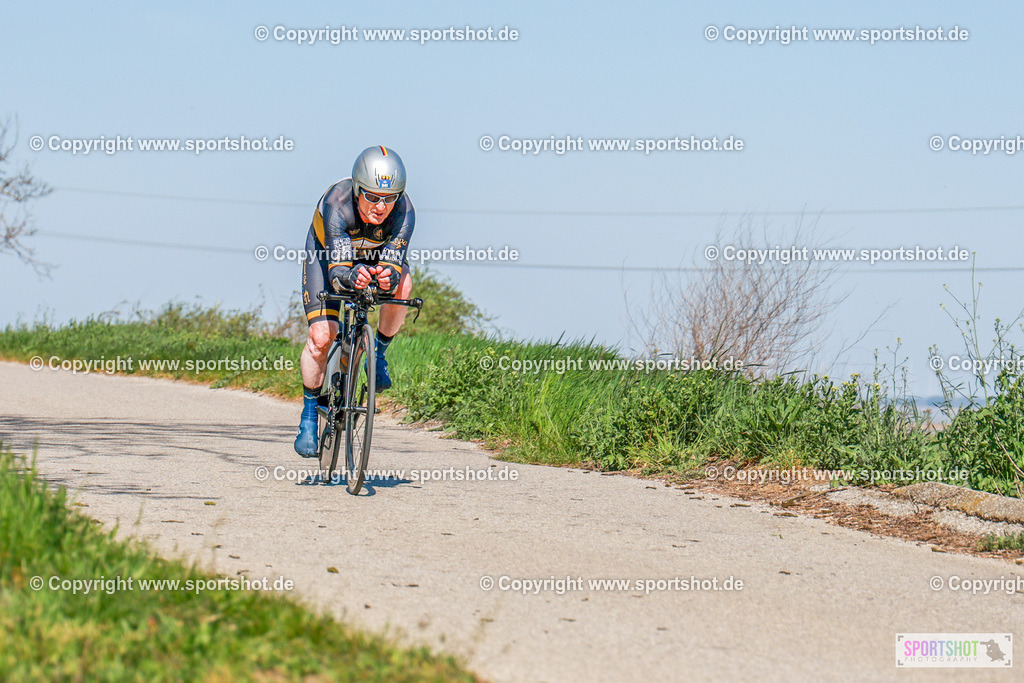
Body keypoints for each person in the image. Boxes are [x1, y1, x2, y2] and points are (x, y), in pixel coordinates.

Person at [294, 146, 415, 457]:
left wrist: (387, 275)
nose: (381, 207)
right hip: (327, 257)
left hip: (371, 256)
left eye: (389, 198)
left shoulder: (405, 212)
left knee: (404, 284)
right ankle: (309, 413)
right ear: (358, 189)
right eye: (372, 197)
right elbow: (337, 274)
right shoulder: (337, 203)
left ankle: (378, 354)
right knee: (322, 337)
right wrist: (351, 276)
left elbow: (394, 262)